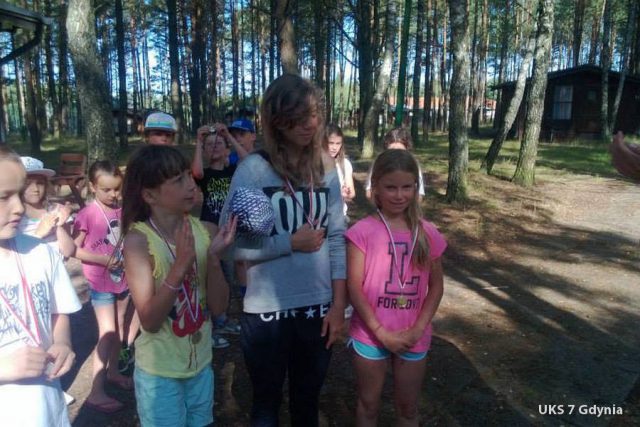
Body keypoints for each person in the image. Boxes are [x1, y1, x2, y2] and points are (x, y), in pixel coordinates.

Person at [220, 74, 347, 426]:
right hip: (267, 311)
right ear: (277, 119)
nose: (311, 124)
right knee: (266, 405)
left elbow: (337, 238)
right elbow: (232, 246)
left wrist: (339, 305)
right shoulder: (255, 170)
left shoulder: (325, 167)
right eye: (299, 116)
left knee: (307, 402)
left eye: (314, 114)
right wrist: (289, 243)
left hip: (318, 307)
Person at [121, 144, 236, 426]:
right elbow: (149, 321)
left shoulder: (203, 230)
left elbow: (219, 308)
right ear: (150, 195)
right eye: (178, 180)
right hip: (160, 373)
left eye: (188, 175)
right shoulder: (139, 242)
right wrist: (180, 265)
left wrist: (212, 259)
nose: (191, 184)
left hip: (200, 364)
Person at [346, 149, 445, 426]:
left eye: (406, 187)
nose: (399, 195)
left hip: (413, 335)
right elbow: (354, 287)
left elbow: (436, 287)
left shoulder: (428, 232)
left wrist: (418, 329)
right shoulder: (362, 232)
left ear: (416, 187)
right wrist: (380, 332)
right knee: (368, 405)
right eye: (391, 187)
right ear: (375, 187)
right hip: (370, 334)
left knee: (408, 409)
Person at [0, 146, 81, 427]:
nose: (19, 207)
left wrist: (62, 342)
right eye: (4, 197)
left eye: (19, 194)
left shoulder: (41, 252)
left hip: (48, 408)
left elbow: (59, 311)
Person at [72, 161, 139, 413]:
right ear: (92, 187)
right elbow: (73, 249)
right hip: (100, 281)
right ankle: (95, 392)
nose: (113, 195)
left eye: (117, 189)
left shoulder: (122, 210)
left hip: (122, 278)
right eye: (106, 190)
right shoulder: (87, 214)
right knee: (108, 332)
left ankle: (113, 372)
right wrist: (102, 260)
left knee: (120, 326)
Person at [191, 124, 243, 349]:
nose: (214, 147)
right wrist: (198, 141)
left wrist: (228, 135)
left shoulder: (234, 171)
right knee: (209, 277)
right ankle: (208, 326)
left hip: (229, 232)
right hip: (209, 230)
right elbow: (196, 173)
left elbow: (247, 160)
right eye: (209, 145)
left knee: (227, 277)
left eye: (218, 143)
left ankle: (222, 320)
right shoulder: (206, 174)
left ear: (227, 149)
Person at [18, 156, 75, 258]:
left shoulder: (56, 210)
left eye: (40, 183)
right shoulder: (14, 217)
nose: (35, 189)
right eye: (27, 183)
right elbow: (16, 256)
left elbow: (68, 252)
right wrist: (38, 234)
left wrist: (60, 226)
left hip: (57, 266)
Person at [364, 127, 425, 200]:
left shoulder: (413, 165)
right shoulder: (378, 164)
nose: (395, 156)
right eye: (392, 151)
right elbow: (369, 192)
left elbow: (419, 195)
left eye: (400, 151)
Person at [323, 123, 355, 216]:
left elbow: (352, 193)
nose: (334, 148)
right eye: (331, 143)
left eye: (338, 143)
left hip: (339, 215)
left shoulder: (345, 164)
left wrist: (346, 193)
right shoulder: (313, 163)